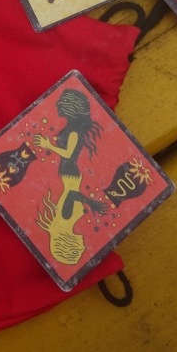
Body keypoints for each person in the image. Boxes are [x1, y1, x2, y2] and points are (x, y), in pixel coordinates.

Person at [33, 89, 107, 265]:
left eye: (78, 250)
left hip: (70, 173)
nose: (83, 246)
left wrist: (48, 145)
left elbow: (69, 155)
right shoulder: (63, 223)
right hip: (69, 172)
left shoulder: (65, 221)